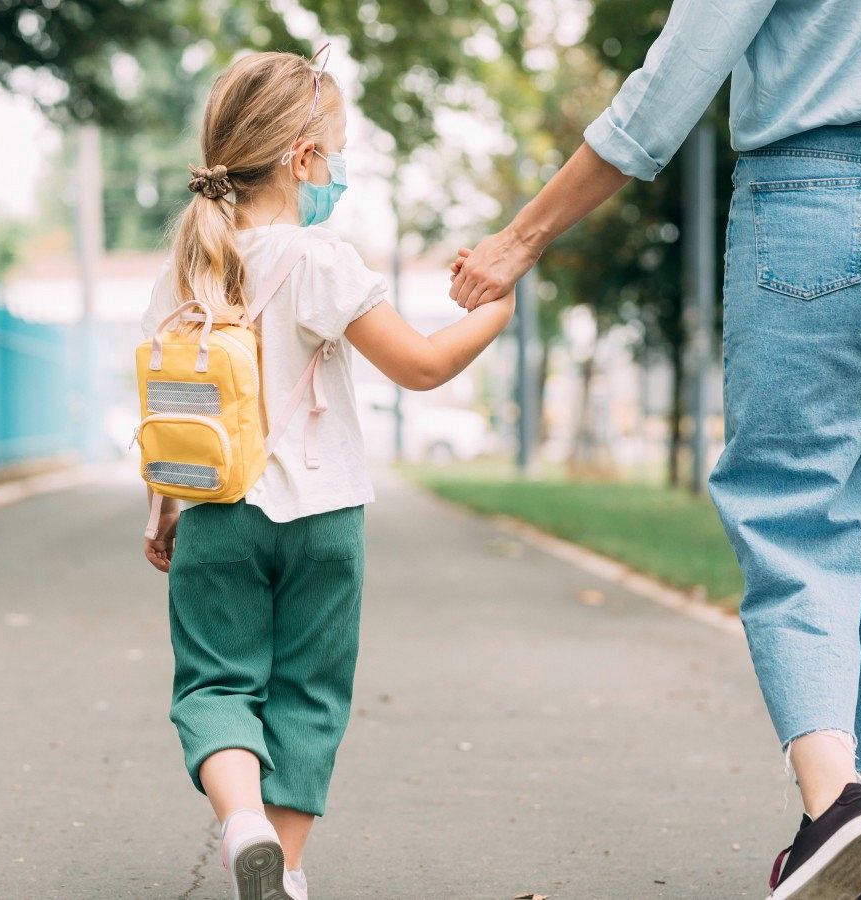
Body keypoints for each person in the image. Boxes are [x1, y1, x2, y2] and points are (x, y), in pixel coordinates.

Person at [450, 3, 861, 898]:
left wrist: (522, 239)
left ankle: (835, 808)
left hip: (812, 196)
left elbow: (674, 77)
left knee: (793, 504)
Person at [141, 50, 514, 900]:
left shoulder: (185, 265)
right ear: (302, 159)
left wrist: (163, 508)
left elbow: (169, 402)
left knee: (217, 683)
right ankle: (291, 870)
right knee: (309, 692)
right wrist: (495, 310)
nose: (341, 171)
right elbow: (419, 366)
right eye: (337, 151)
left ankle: (241, 826)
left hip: (217, 511)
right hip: (324, 518)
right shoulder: (321, 259)